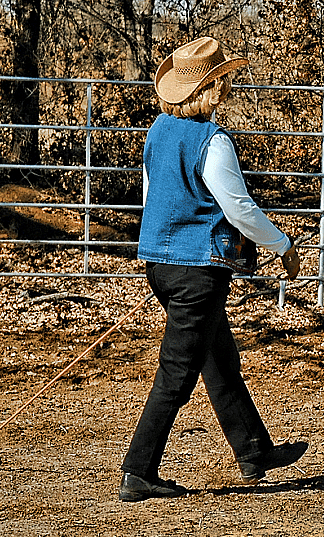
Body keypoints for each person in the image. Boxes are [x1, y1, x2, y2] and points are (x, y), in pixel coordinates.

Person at [119, 37, 307, 502]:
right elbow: (238, 208)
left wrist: (164, 253)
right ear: (211, 87)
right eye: (223, 80)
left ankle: (253, 450)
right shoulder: (214, 141)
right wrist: (281, 244)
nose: (227, 87)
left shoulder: (158, 131)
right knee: (176, 374)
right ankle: (138, 471)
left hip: (162, 266)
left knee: (218, 357)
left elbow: (152, 198)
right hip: (198, 272)